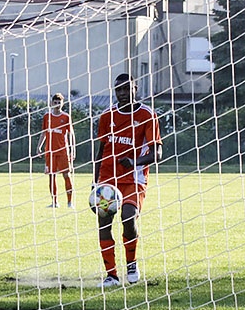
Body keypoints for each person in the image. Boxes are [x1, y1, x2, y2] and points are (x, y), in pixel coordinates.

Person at [93, 74, 162, 288]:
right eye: (118, 90)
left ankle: (131, 263)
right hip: (107, 179)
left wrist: (134, 162)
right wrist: (95, 184)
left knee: (128, 218)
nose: (122, 93)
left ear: (135, 88)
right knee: (104, 222)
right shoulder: (107, 116)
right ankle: (111, 275)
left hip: (134, 178)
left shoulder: (147, 115)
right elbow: (101, 151)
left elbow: (157, 153)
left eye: (126, 89)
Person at [37, 92, 76, 208]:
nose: (57, 104)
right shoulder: (47, 117)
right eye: (55, 102)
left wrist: (73, 150)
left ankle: (70, 202)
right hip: (50, 152)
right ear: (51, 103)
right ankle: (54, 202)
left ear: (62, 103)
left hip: (63, 151)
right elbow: (43, 133)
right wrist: (39, 146)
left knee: (66, 175)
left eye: (59, 102)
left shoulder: (66, 117)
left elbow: (71, 134)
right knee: (51, 176)